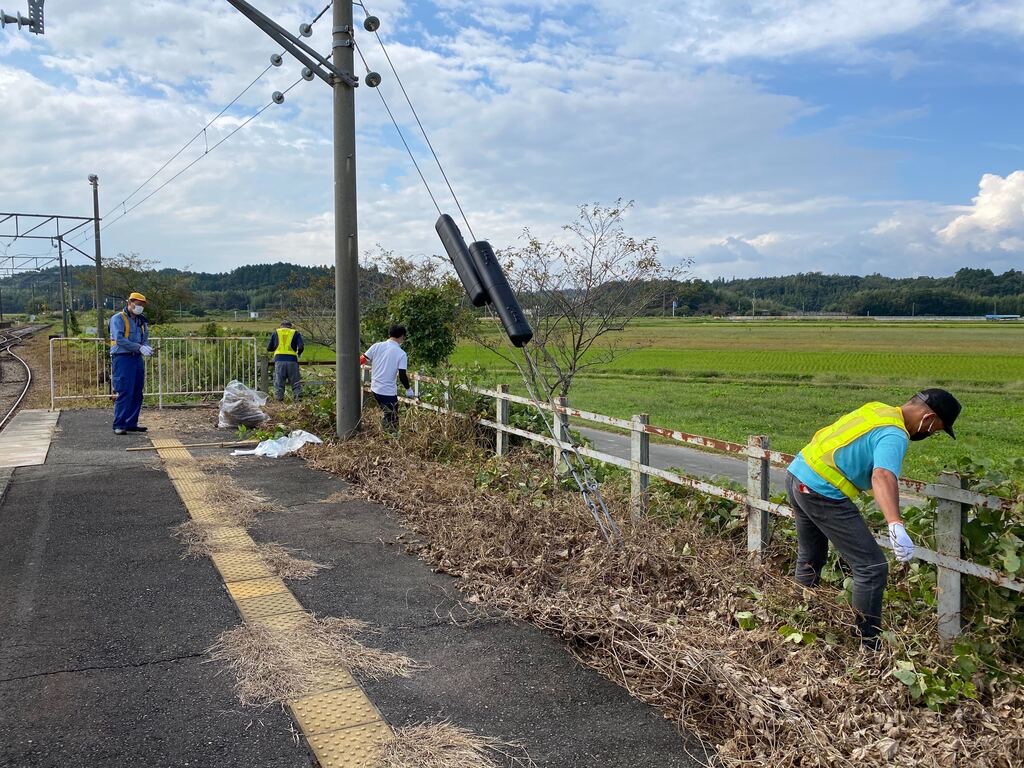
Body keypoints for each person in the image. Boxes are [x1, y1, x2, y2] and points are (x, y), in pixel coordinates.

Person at [785, 388, 962, 650]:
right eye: (936, 429)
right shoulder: (895, 434)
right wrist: (895, 523)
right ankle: (868, 647)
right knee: (872, 567)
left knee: (811, 557)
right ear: (928, 419)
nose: (931, 434)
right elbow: (882, 476)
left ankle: (796, 621)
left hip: (798, 474)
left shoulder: (877, 409)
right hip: (821, 491)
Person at [109, 292, 153, 435]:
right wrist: (139, 347)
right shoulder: (118, 318)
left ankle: (131, 423)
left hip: (136, 358)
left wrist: (146, 347)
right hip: (122, 358)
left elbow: (144, 338)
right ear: (130, 302)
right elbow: (119, 339)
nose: (140, 307)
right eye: (138, 304)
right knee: (124, 391)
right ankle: (119, 424)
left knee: (137, 392)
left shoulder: (141, 322)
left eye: (142, 305)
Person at [361, 324, 414, 432]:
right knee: (392, 416)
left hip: (375, 388)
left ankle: (387, 435)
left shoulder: (376, 346)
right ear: (402, 337)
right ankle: (388, 438)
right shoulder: (401, 354)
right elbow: (402, 375)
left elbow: (362, 359)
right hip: (387, 390)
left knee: (388, 413)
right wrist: (408, 389)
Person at [266, 320, 304, 401]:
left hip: (279, 360)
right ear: (290, 326)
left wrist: (276, 348)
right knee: (295, 382)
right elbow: (301, 347)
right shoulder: (296, 333)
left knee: (279, 382)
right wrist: (299, 353)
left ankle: (279, 402)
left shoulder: (276, 332)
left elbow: (269, 348)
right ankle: (298, 401)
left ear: (281, 326)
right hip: (292, 361)